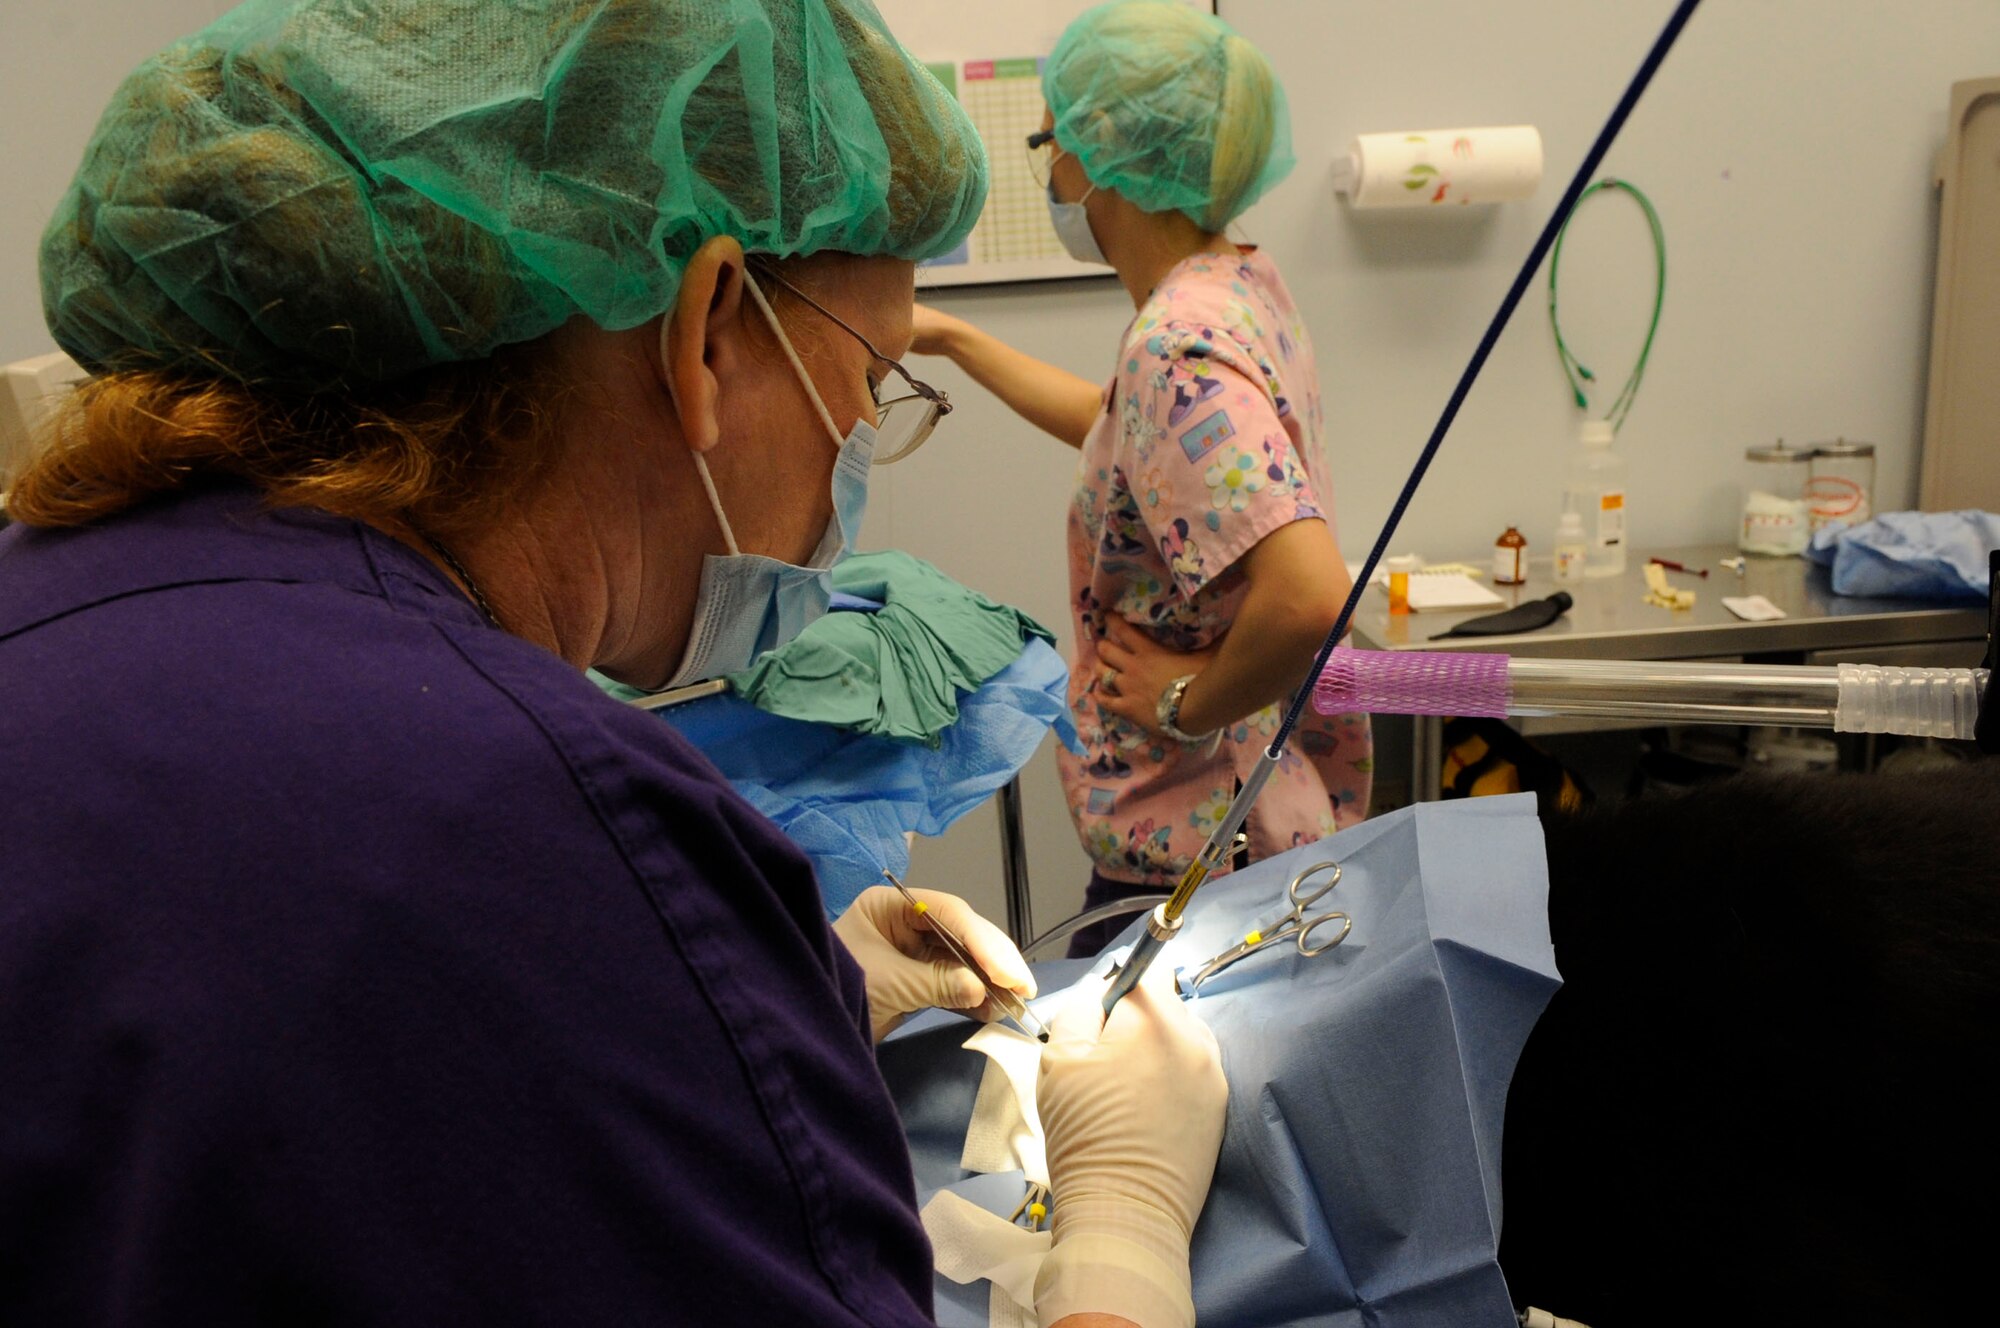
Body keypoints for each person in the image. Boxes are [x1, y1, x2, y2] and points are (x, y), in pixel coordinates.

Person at [0, 4, 1225, 1326]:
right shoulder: (528, 826)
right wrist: (1122, 1227)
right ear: (707, 330)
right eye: (870, 382)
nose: (862, 441)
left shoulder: (49, 601)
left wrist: (778, 1001)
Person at [907, 1, 1371, 952]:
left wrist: (1181, 700)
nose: (1052, 171)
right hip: (1251, 822)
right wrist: (951, 338)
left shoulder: (1176, 350)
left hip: (1198, 859)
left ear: (1103, 149)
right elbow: (1135, 444)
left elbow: (1310, 593)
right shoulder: (1236, 285)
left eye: (1050, 142)